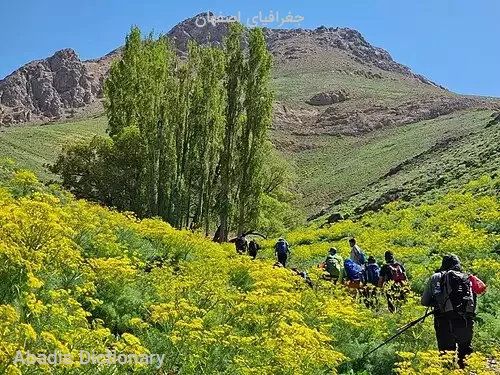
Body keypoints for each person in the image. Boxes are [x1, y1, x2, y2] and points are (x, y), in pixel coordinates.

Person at [421, 254, 485, 369]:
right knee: (465, 355)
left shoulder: (436, 277)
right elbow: (474, 302)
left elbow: (424, 301)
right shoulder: (468, 278)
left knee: (446, 356)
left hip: (444, 322)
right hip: (466, 321)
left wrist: (438, 304)